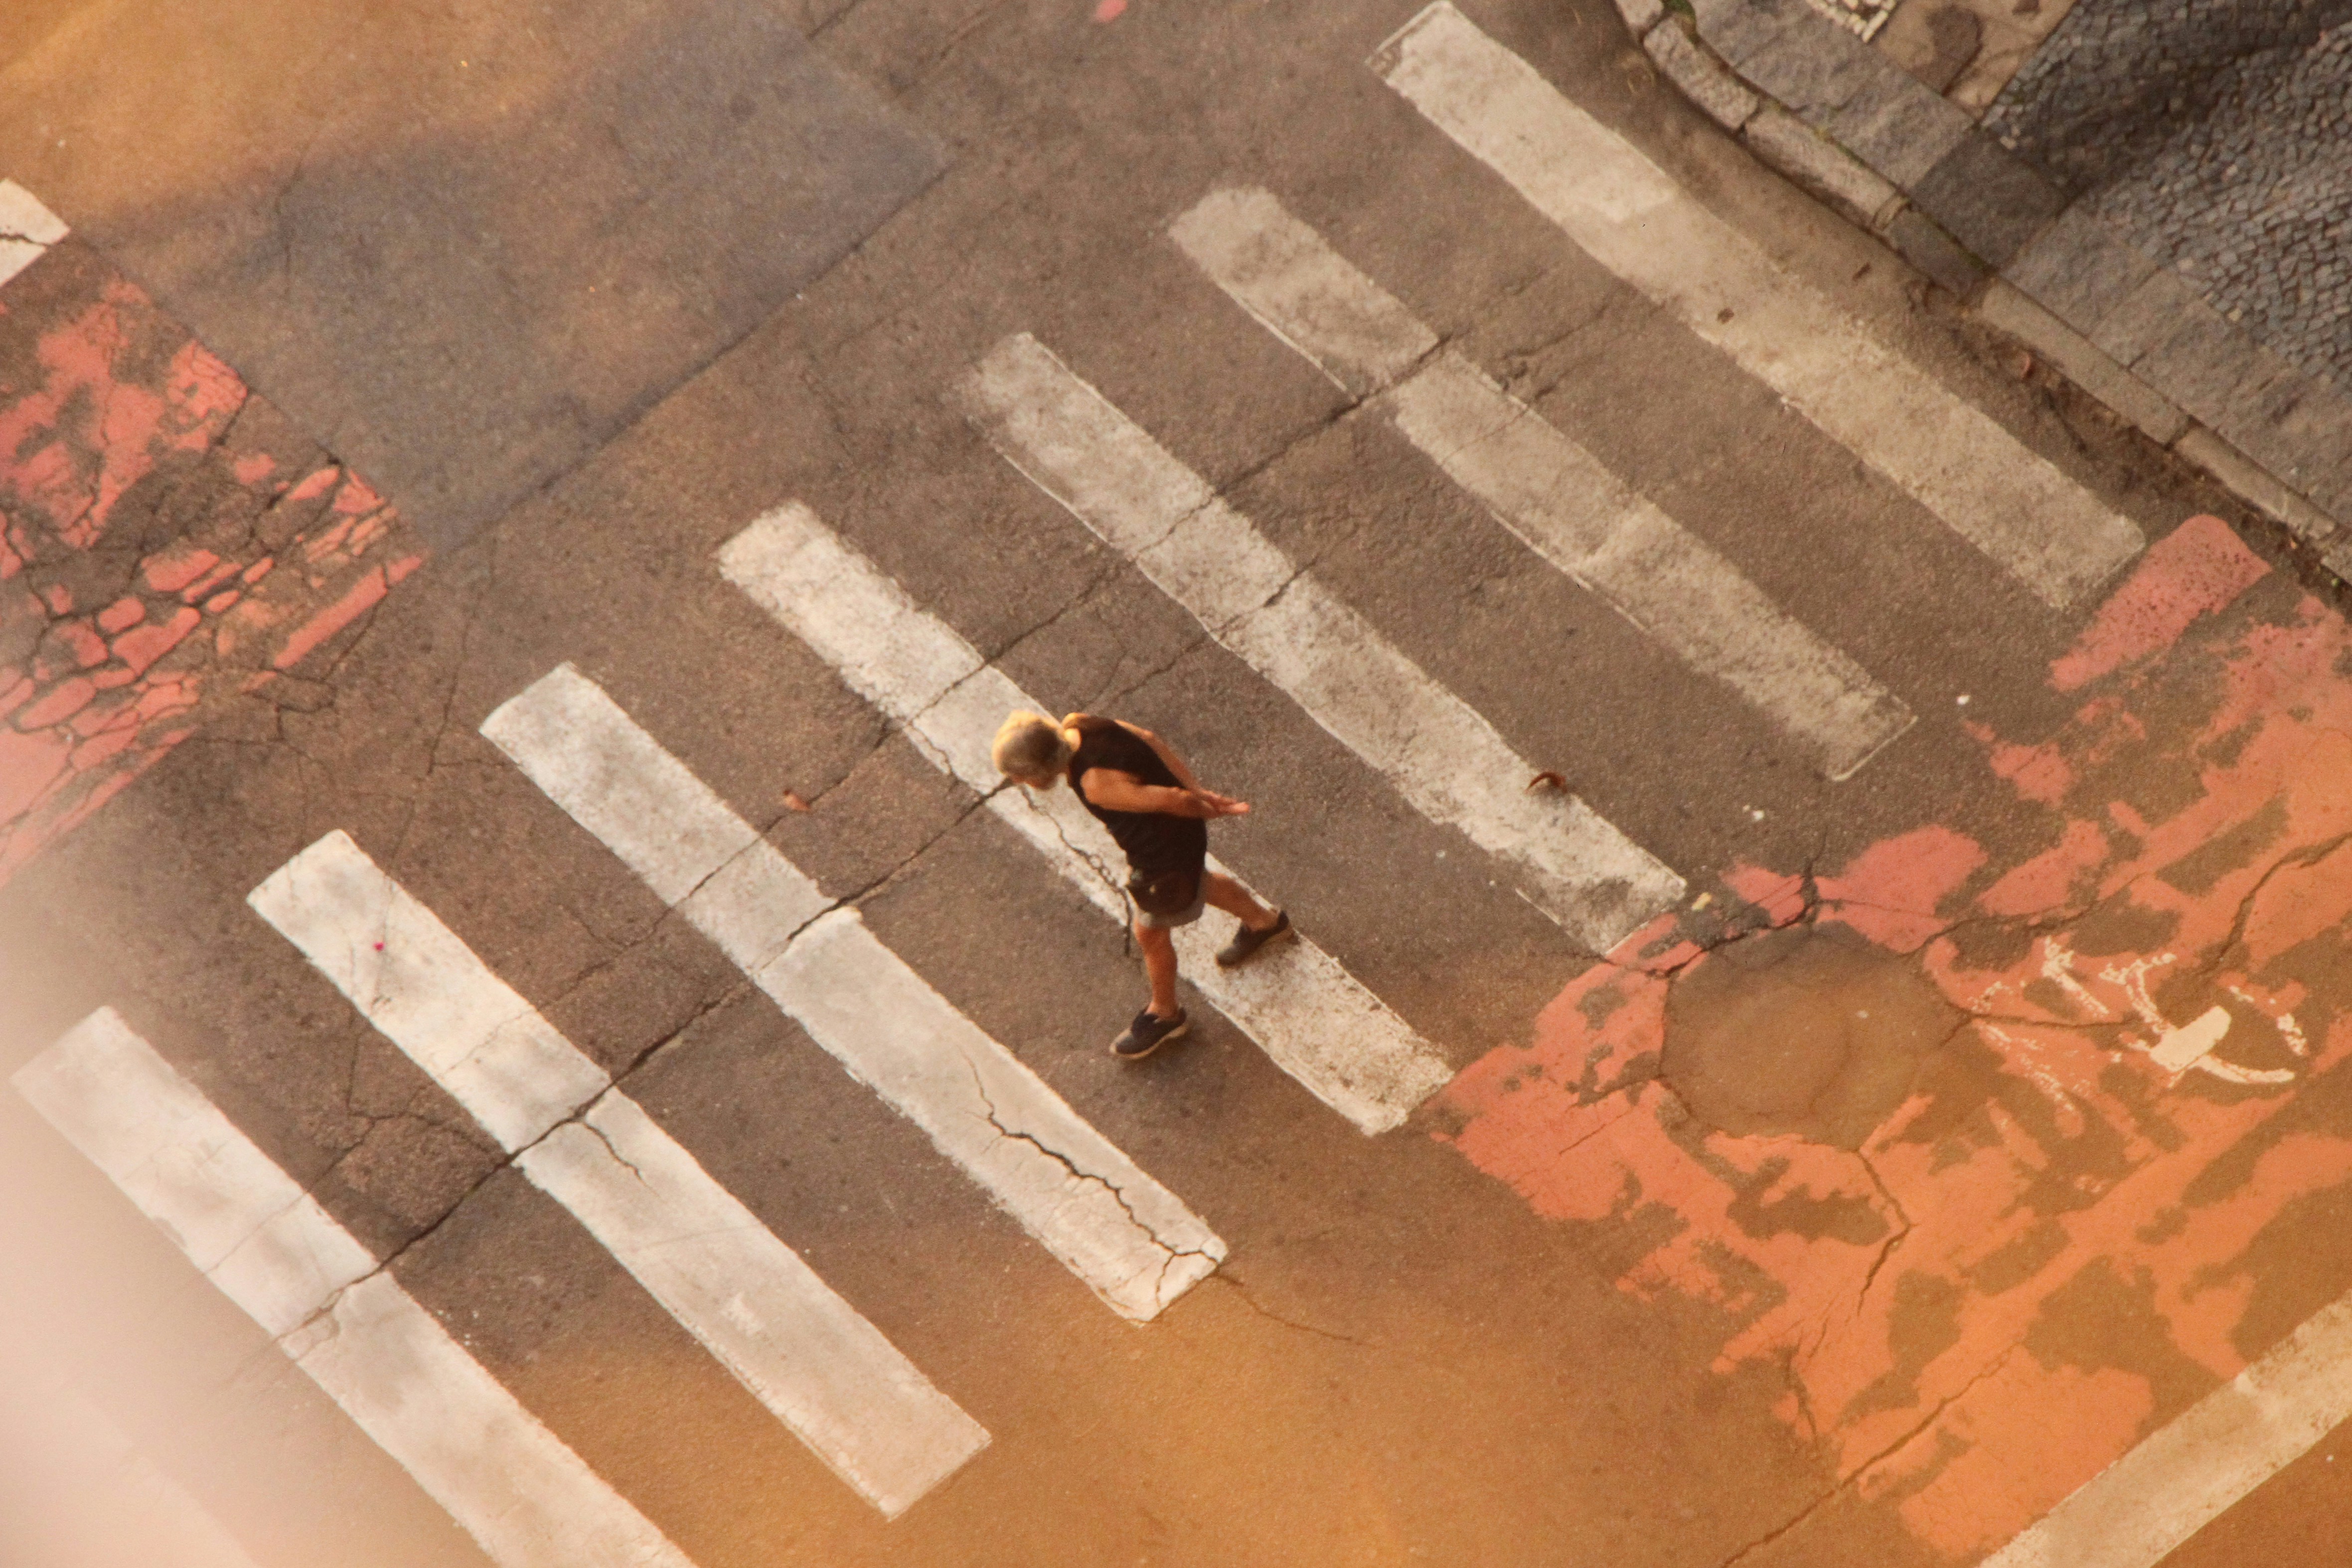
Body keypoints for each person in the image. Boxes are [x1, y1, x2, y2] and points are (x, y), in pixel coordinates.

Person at [991, 710, 1294, 1059]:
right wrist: (1195, 789)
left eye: (1021, 774)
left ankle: (1165, 1015)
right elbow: (1149, 738)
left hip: (1162, 853)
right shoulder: (1079, 723)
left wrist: (1207, 806)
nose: (1018, 781)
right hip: (1175, 839)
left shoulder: (1097, 785)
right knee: (1200, 881)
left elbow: (1172, 802)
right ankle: (1265, 923)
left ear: (1043, 766)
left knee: (1150, 933)